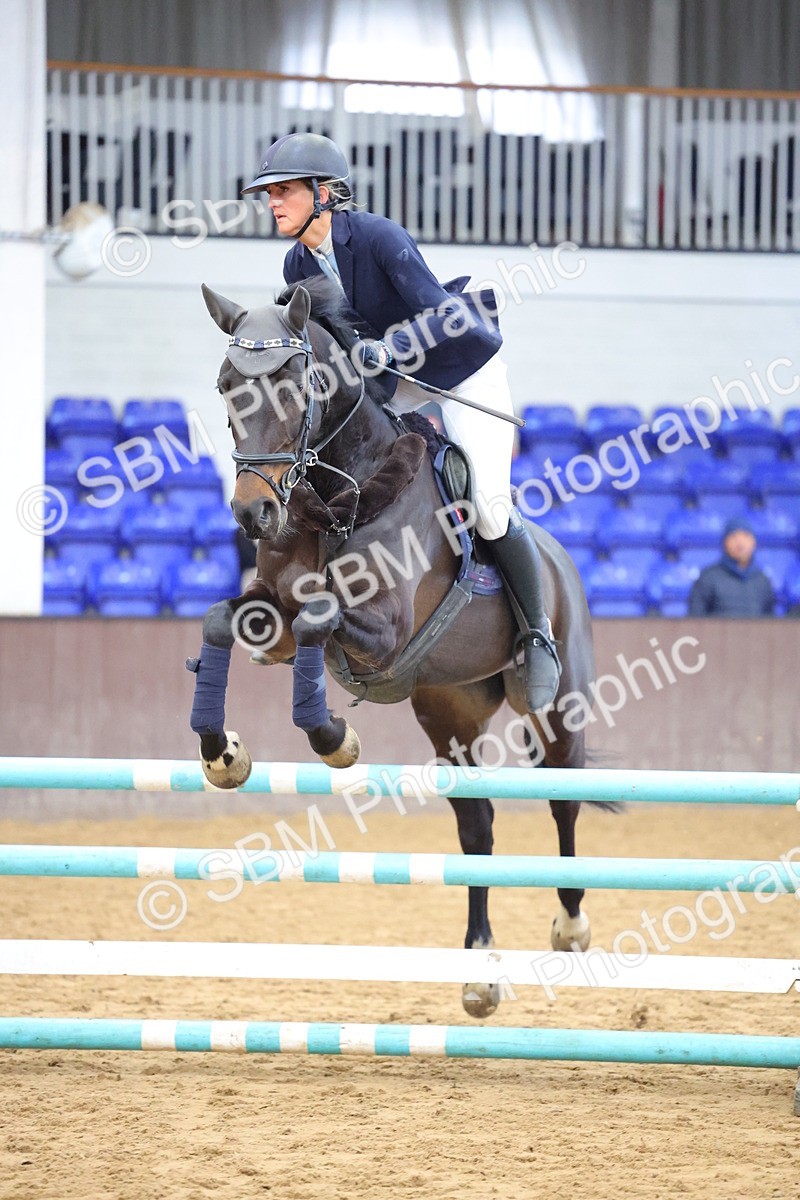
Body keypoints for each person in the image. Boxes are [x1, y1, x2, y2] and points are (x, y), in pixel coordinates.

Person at [241, 132, 561, 710]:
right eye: (269, 194)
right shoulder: (296, 263)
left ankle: (537, 632)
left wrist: (390, 348)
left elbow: (441, 314)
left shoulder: (378, 236)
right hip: (388, 383)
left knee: (489, 508)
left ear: (324, 193)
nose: (274, 203)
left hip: (459, 368)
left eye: (284, 191)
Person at [688, 517, 774, 616]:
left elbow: (769, 621)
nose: (740, 543)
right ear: (724, 542)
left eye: (745, 536)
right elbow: (695, 620)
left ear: (753, 542)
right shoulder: (708, 577)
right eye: (734, 536)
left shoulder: (762, 580)